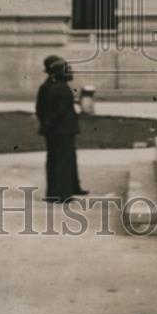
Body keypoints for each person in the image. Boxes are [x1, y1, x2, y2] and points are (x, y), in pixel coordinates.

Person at [35, 55, 88, 203]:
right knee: (63, 160)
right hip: (63, 129)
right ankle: (62, 194)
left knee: (55, 159)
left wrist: (46, 123)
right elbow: (61, 111)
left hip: (51, 130)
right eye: (67, 70)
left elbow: (39, 109)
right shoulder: (62, 88)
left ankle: (59, 191)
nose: (70, 73)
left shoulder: (45, 86)